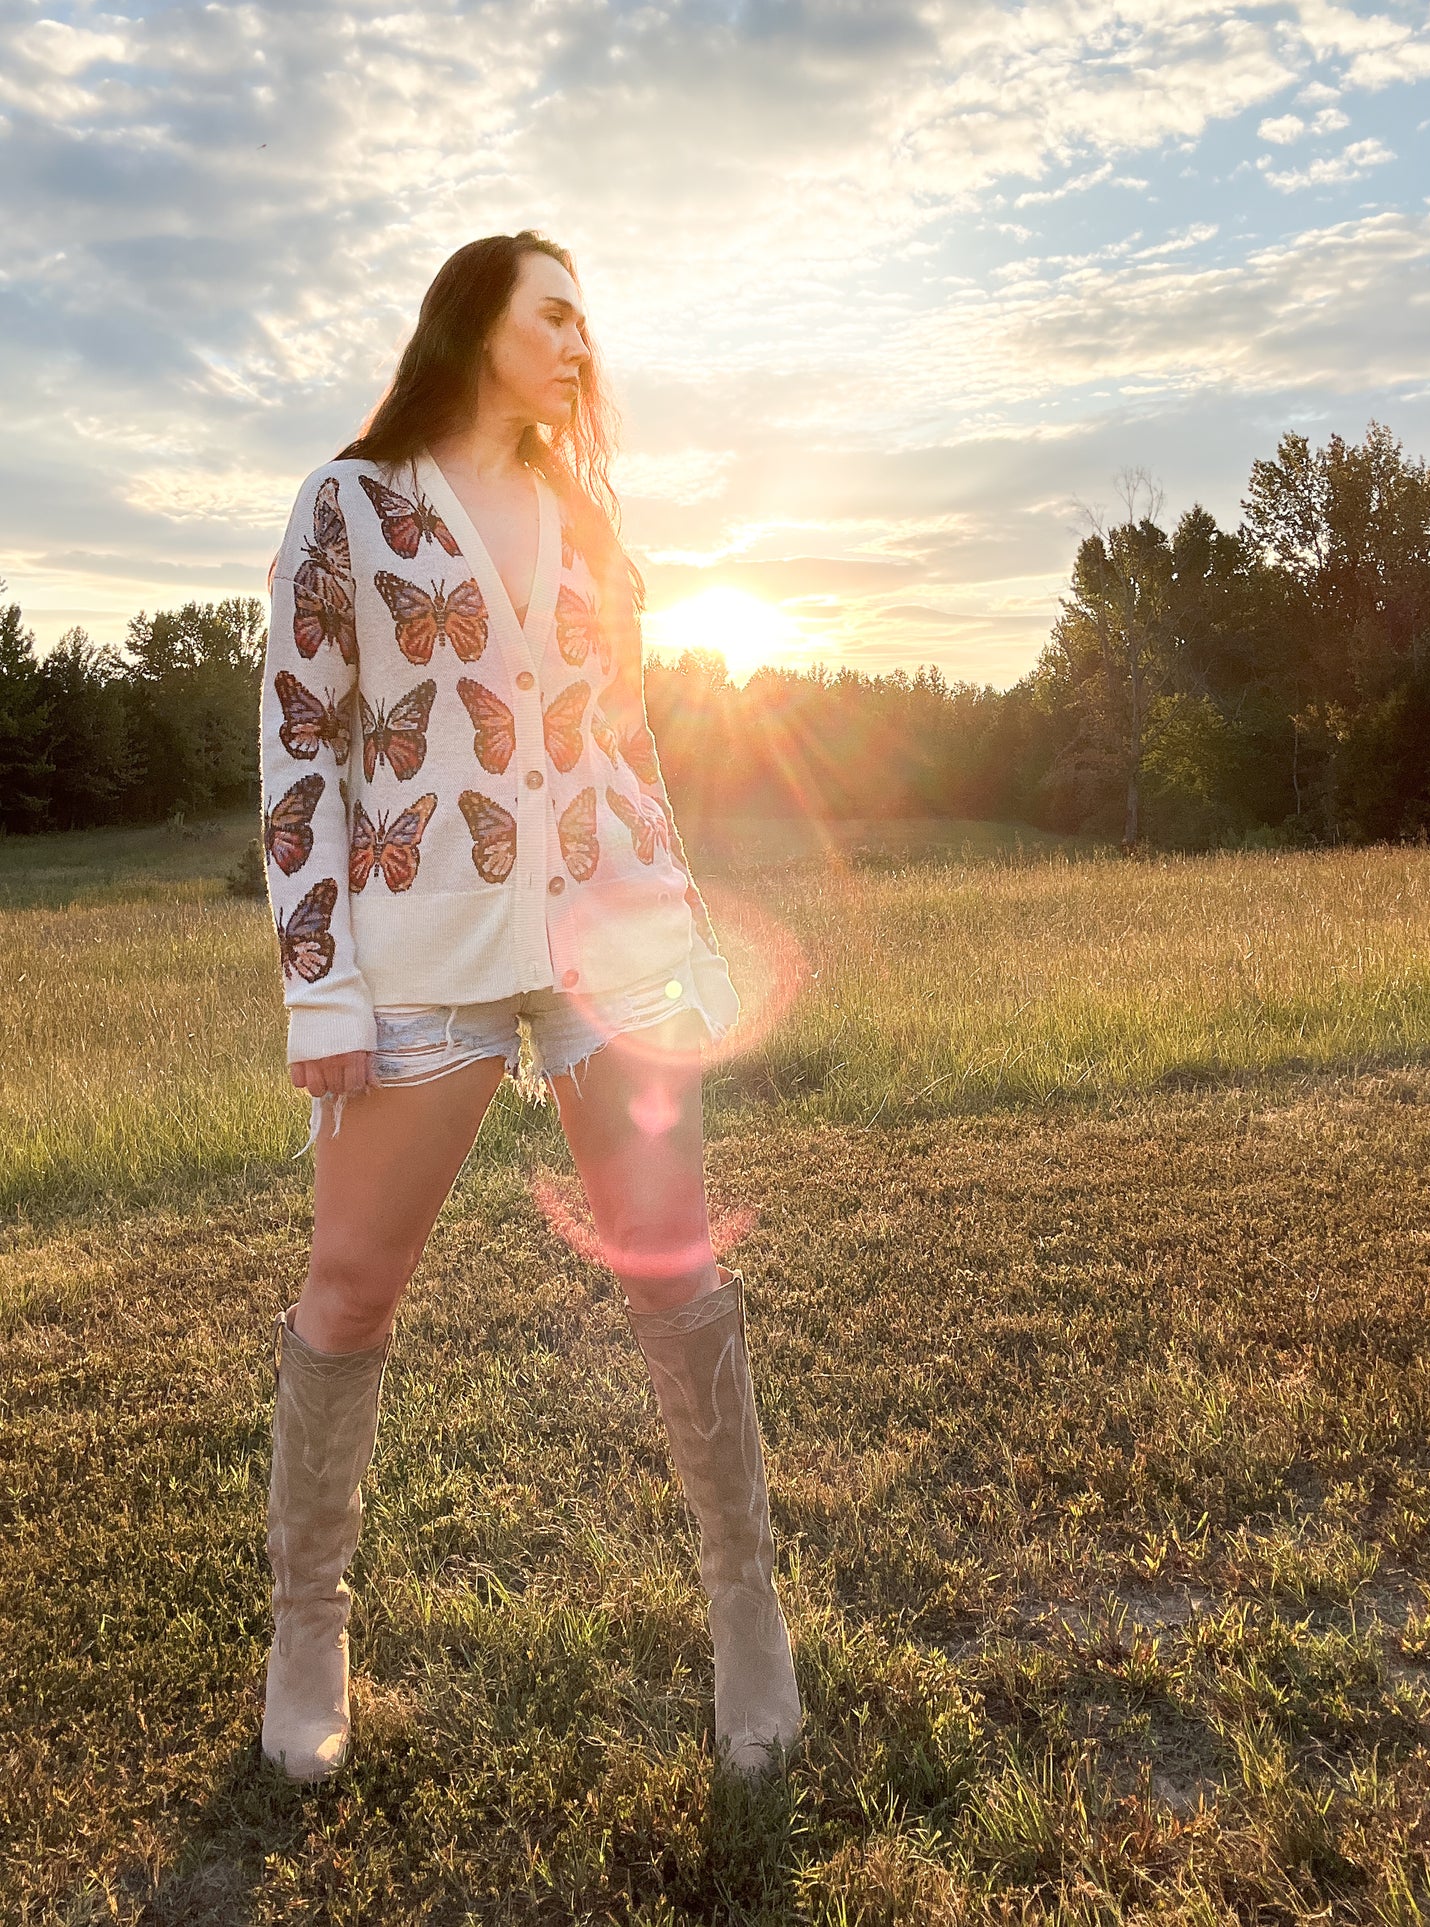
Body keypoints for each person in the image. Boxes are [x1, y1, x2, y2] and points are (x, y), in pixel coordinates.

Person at [257, 231, 802, 1786]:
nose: (579, 339)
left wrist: (683, 924)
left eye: (587, 319)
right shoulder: (350, 506)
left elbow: (624, 751)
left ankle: (744, 1615)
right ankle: (310, 1630)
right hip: (416, 947)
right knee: (351, 1288)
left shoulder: (587, 521)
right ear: (475, 321)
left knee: (672, 1270)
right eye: (553, 310)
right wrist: (319, 986)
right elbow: (303, 746)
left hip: (611, 942)